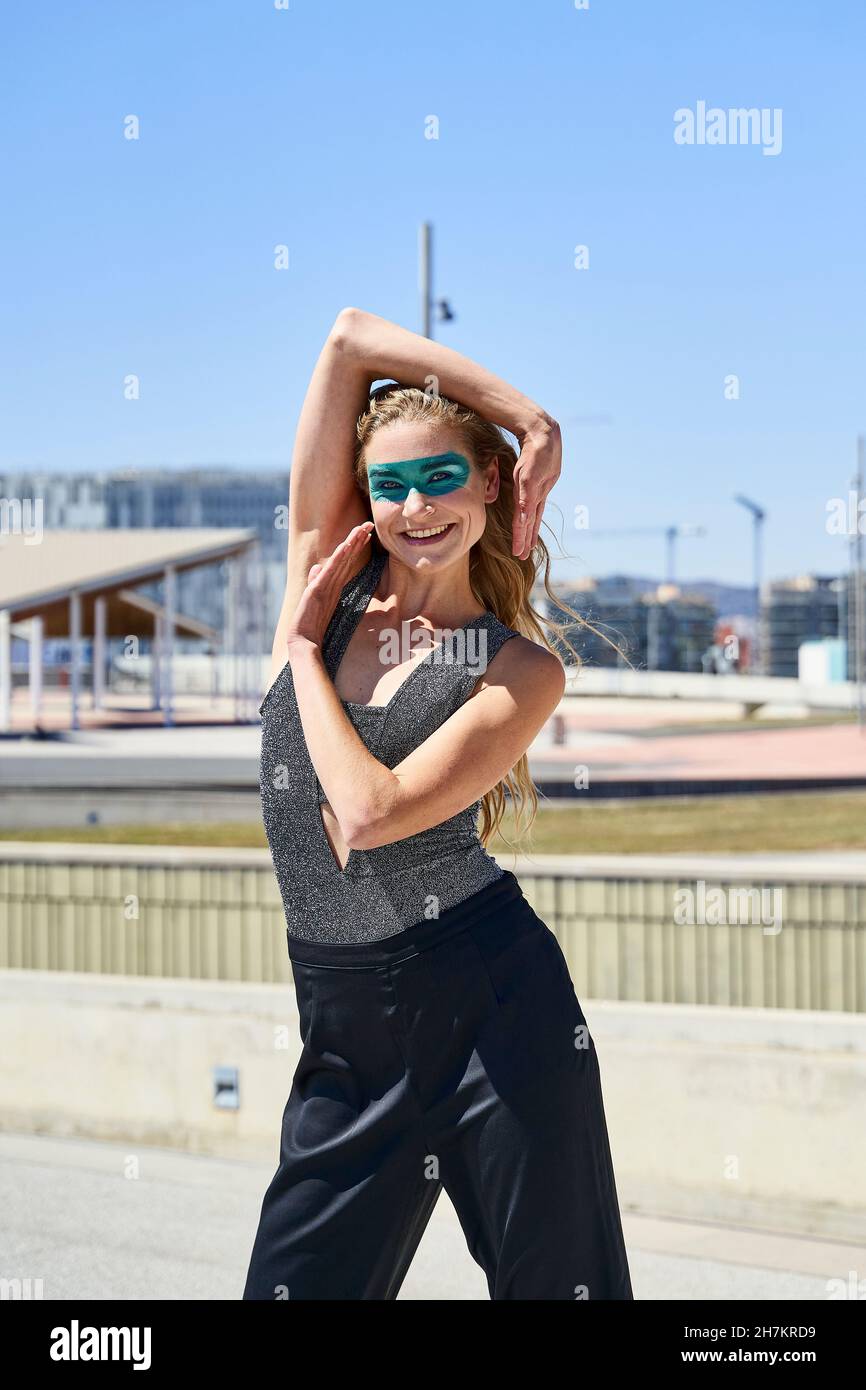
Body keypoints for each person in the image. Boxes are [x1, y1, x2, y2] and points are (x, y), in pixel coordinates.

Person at [242, 307, 633, 1301]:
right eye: (389, 485)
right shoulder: (325, 578)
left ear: (491, 484)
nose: (414, 507)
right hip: (344, 1024)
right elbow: (345, 339)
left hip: (494, 1012)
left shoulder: (516, 671)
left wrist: (300, 656)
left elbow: (367, 812)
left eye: (441, 476)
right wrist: (526, 414)